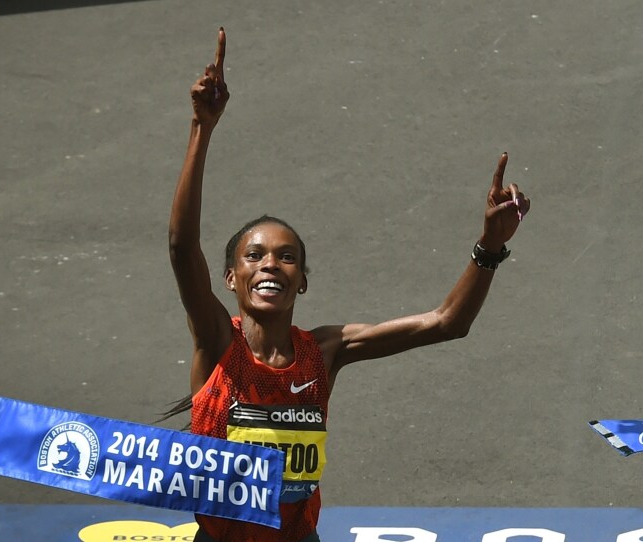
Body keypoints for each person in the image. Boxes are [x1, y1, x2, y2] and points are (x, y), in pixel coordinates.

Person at [167, 28, 530, 542]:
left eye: (287, 257)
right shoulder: (217, 342)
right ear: (231, 278)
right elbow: (183, 249)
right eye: (255, 256)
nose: (271, 265)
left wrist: (490, 246)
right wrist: (201, 128)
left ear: (302, 282)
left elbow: (448, 322)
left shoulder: (327, 351)